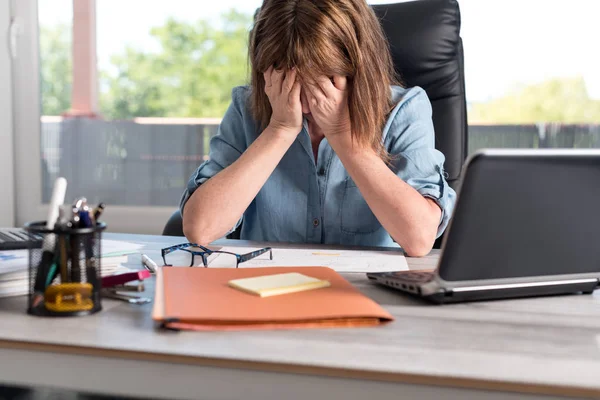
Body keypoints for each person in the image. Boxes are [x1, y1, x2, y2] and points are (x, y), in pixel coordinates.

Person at [181, 0, 456, 257]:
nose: (305, 102)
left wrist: (343, 138)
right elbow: (200, 229)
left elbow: (419, 239)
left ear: (356, 70)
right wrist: (279, 130)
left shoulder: (403, 109)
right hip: (266, 287)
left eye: (322, 81)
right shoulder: (246, 107)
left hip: (362, 289)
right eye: (287, 81)